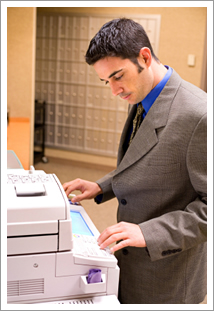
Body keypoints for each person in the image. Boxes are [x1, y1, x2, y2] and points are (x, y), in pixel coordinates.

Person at [63, 18, 207, 304]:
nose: (114, 91)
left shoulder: (199, 115)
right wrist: (102, 186)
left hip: (167, 275)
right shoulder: (143, 96)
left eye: (118, 76)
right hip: (129, 263)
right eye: (107, 82)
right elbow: (145, 161)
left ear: (144, 57)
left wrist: (147, 231)